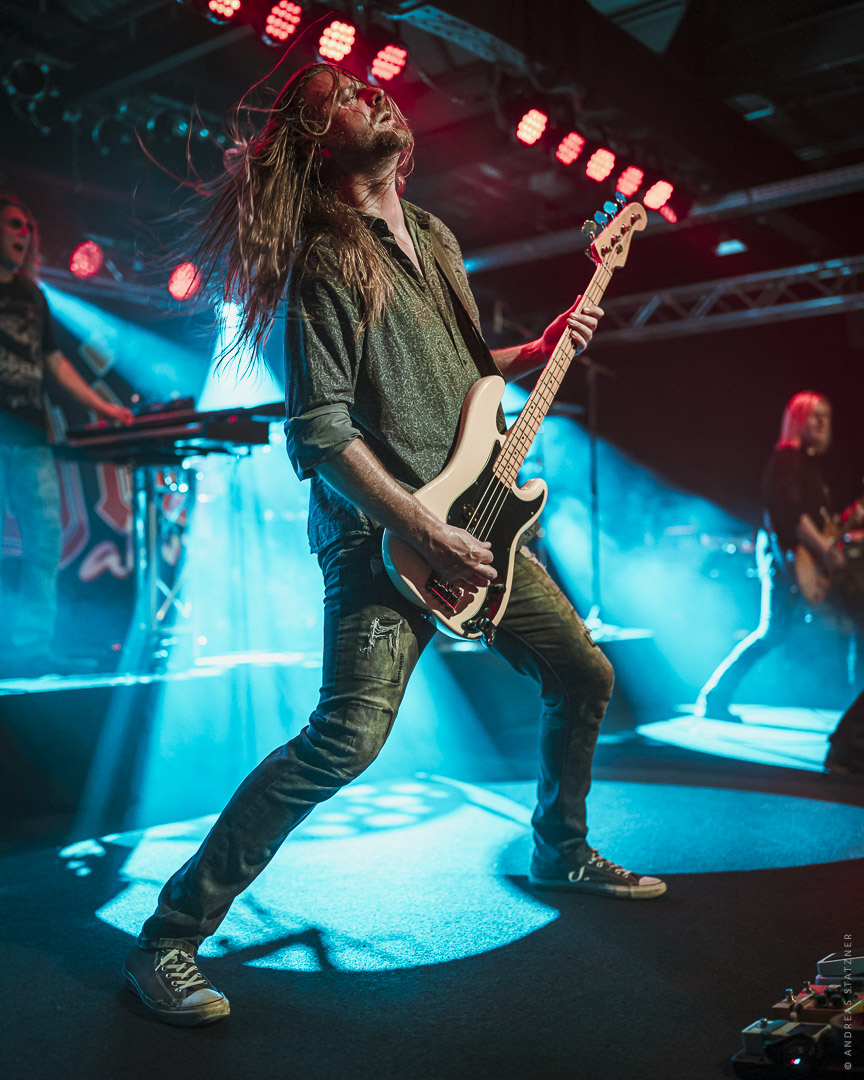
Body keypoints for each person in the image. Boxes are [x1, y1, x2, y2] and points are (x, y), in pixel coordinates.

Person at [122, 62, 667, 1028]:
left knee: (584, 674)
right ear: (320, 144)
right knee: (346, 739)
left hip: (477, 523)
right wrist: (425, 528)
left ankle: (559, 849)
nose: (369, 92)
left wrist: (533, 352)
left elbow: (464, 378)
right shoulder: (326, 260)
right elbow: (320, 431)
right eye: (340, 96)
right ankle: (167, 937)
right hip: (381, 537)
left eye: (364, 86)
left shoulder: (435, 235)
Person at [0, 196, 134, 677]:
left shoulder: (33, 297)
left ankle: (30, 648)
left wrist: (105, 407)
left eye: (27, 226)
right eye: (13, 224)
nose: (23, 233)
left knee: (43, 541)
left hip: (30, 436)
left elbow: (54, 366)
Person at [695, 391, 864, 772]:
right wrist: (824, 549)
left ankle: (854, 716)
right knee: (771, 631)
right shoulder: (787, 460)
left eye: (826, 416)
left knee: (846, 623)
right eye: (815, 416)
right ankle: (714, 696)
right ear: (798, 420)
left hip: (800, 558)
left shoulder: (810, 467)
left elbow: (817, 521)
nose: (822, 423)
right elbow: (792, 513)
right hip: (784, 557)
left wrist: (846, 523)